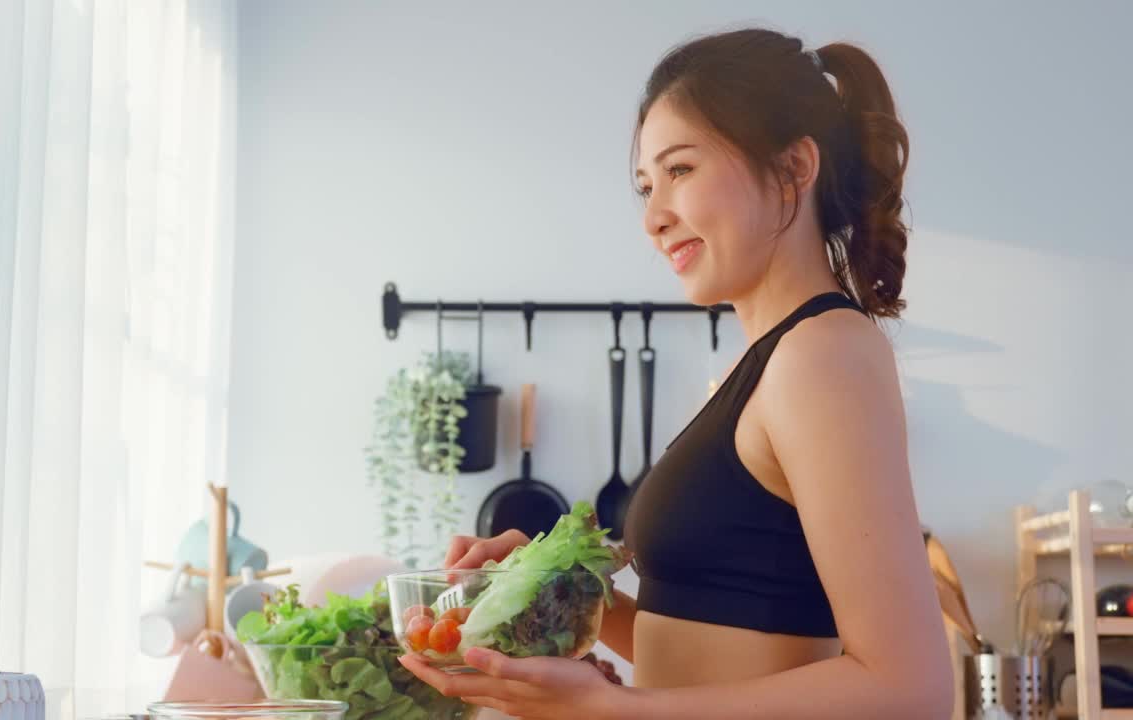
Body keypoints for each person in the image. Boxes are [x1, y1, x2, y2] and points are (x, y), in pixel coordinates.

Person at [399, 27, 953, 719]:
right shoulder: (763, 368)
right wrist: (553, 592)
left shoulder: (823, 354)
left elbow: (909, 689)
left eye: (680, 170)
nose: (654, 218)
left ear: (792, 168)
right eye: (644, 186)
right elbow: (718, 633)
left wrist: (601, 709)